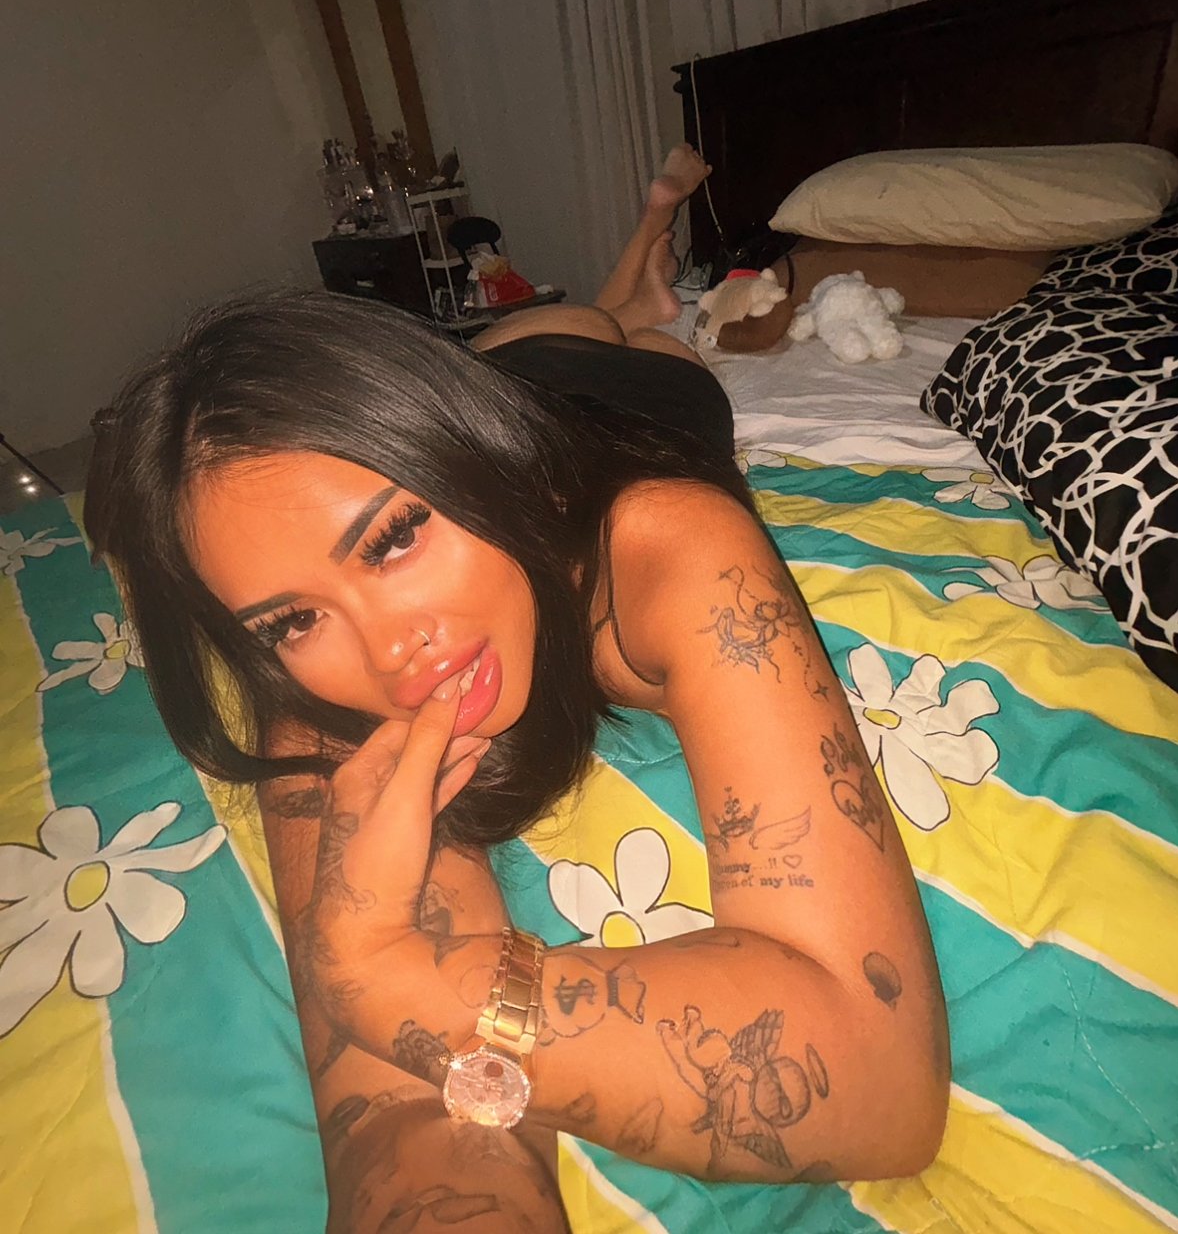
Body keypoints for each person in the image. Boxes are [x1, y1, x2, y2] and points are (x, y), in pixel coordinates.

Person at [85, 147, 949, 1233]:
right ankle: (629, 283)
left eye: (394, 539)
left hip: (611, 396)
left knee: (611, 333)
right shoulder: (312, 678)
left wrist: (398, 977)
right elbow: (401, 1127)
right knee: (542, 336)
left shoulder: (669, 544)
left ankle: (642, 284)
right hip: (489, 386)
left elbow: (880, 1086)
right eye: (292, 617)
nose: (392, 653)